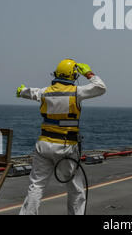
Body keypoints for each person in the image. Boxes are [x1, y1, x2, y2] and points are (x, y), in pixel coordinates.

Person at [16, 59, 106, 215]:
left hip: (43, 144)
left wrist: (22, 90)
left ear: (57, 74)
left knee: (36, 186)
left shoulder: (44, 92)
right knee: (75, 189)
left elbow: (27, 92)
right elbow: (100, 88)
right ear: (73, 75)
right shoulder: (77, 92)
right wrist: (88, 73)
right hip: (66, 146)